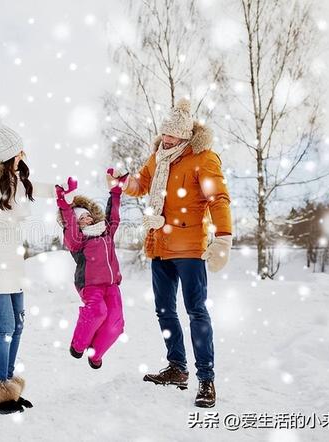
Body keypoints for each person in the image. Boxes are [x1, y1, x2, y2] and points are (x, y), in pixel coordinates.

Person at [116, 98, 232, 408]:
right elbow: (142, 183)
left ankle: (206, 379)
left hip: (190, 248)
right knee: (164, 310)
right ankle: (177, 368)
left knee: (196, 311)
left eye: (173, 137)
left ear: (187, 136)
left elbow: (218, 199)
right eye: (164, 134)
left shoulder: (203, 158)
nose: (166, 140)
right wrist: (123, 181)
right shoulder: (159, 157)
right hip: (159, 246)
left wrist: (223, 237)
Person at [0, 115, 66, 414]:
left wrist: (59, 189)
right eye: (18, 153)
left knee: (17, 325)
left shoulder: (13, 182)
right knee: (4, 327)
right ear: (6, 157)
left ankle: (9, 386)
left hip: (14, 267)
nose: (23, 156)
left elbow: (35, 186)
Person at [55, 172, 127, 369]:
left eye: (87, 215)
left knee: (116, 324)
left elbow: (113, 215)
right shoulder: (78, 240)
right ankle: (78, 346)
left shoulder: (106, 231)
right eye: (81, 218)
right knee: (97, 311)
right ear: (76, 223)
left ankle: (96, 354)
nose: (85, 218)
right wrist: (66, 205)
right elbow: (69, 225)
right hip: (90, 285)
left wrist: (116, 192)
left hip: (112, 284)